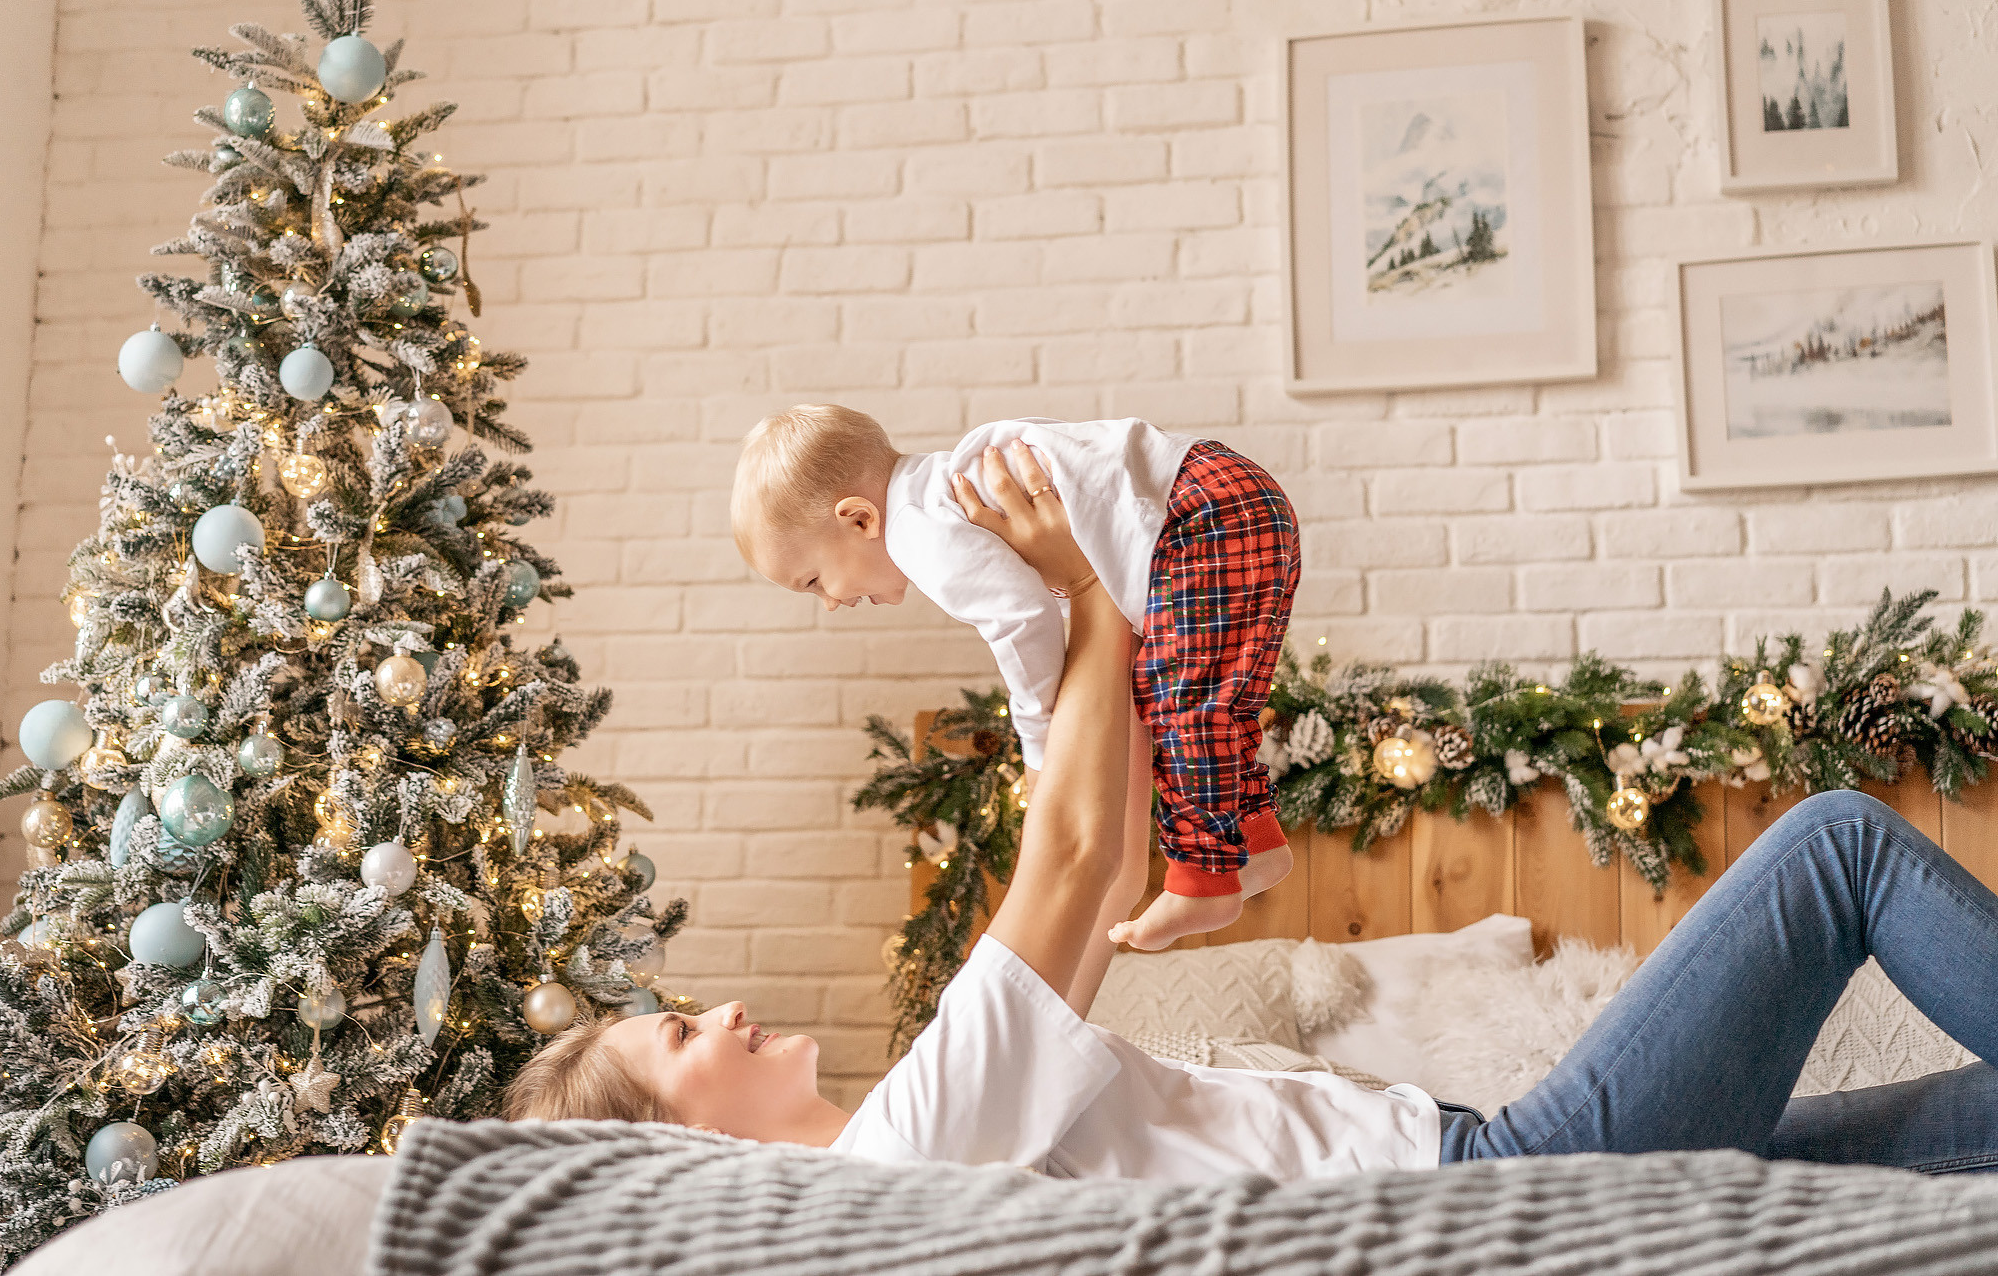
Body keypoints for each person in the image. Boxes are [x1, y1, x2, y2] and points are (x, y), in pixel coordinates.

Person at [509, 442, 1998, 1179]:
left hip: (1468, 1146)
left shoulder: (929, 1128)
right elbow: (1081, 853)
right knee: (1832, 846)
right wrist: (1093, 581)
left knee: (1961, 1121)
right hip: (1482, 1184)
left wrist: (1130, 670)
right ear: (671, 1147)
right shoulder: (900, 1150)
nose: (722, 1014)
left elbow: (1096, 882)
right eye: (679, 1038)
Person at [729, 404, 1297, 951]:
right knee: (1214, 696)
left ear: (859, 519)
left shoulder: (918, 530)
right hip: (1226, 496)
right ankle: (1254, 842)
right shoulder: (946, 484)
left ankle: (1203, 879)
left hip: (1200, 518)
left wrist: (1038, 741)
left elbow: (1022, 620)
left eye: (813, 581)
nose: (829, 602)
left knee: (1184, 702)